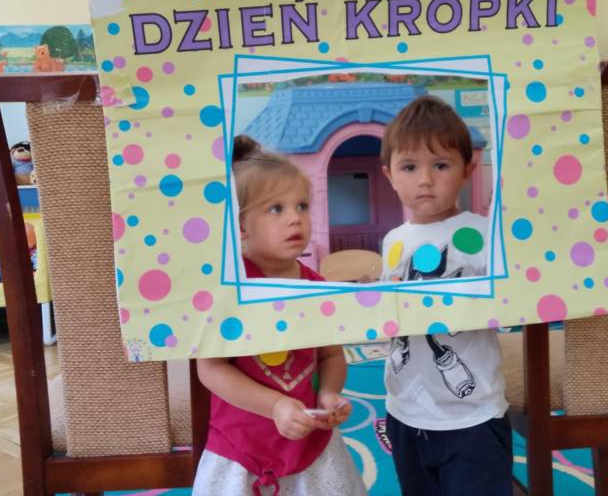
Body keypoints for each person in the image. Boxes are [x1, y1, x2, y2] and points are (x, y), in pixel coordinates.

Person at [193, 135, 367, 496]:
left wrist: (329, 394)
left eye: (301, 206)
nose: (294, 219)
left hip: (310, 447)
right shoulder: (228, 287)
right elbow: (210, 369)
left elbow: (331, 356)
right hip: (241, 447)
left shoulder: (316, 286)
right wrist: (274, 405)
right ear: (241, 225)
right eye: (276, 209)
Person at [380, 95, 511, 495]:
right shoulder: (393, 241)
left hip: (473, 417)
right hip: (404, 411)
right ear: (389, 175)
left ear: (467, 170)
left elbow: (509, 305)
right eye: (409, 167)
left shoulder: (485, 234)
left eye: (440, 165)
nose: (425, 179)